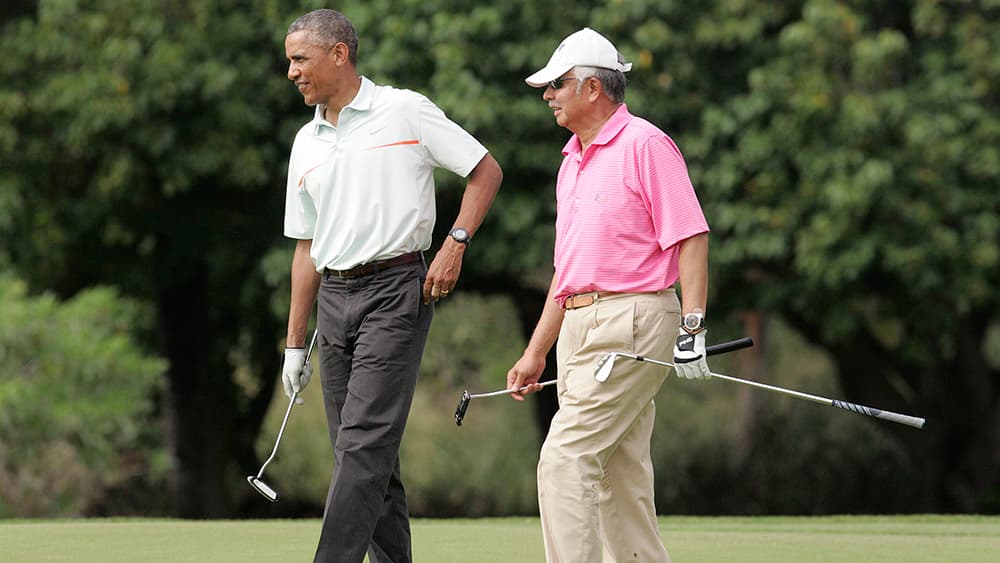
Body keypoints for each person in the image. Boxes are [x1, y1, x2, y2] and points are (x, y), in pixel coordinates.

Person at [279, 9, 502, 563]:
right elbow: (305, 249)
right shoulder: (305, 142)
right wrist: (293, 344)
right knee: (364, 455)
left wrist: (454, 244)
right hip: (333, 299)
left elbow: (485, 170)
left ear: (339, 54)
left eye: (299, 59)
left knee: (362, 446)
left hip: (395, 290)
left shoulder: (404, 110)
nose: (291, 73)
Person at [506, 28, 711, 562]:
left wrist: (692, 327)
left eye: (556, 84)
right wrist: (535, 351)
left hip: (633, 320)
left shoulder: (646, 144)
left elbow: (690, 236)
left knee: (565, 457)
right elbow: (566, 272)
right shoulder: (570, 161)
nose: (547, 95)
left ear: (592, 88)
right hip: (578, 327)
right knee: (618, 478)